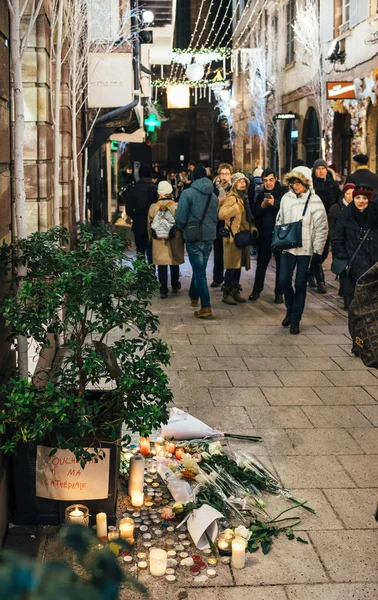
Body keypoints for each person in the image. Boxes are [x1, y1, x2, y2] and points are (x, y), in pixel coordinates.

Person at [278, 166, 328, 335]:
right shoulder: (286, 198)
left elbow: (322, 227)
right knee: (284, 280)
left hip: (306, 249)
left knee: (300, 284)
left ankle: (295, 320)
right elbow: (280, 220)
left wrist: (318, 251)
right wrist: (279, 239)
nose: (295, 185)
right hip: (288, 248)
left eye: (298, 182)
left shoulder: (315, 200)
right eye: (292, 182)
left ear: (306, 182)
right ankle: (290, 310)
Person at [176, 164, 218, 318]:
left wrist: (180, 227)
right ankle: (194, 296)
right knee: (199, 268)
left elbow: (180, 217)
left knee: (199, 272)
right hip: (209, 237)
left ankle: (205, 306)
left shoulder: (187, 194)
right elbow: (215, 216)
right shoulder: (213, 195)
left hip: (194, 236)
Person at [332, 186, 378, 323]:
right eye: (358, 197)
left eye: (364, 198)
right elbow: (337, 239)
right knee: (354, 304)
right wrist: (342, 256)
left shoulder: (375, 216)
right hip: (352, 264)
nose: (361, 201)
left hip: (372, 262)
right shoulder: (345, 215)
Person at [218, 172, 257, 305]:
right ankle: (226, 292)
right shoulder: (232, 198)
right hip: (232, 236)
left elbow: (246, 217)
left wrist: (251, 227)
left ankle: (235, 291)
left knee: (238, 265)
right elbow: (222, 214)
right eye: (239, 181)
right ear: (234, 184)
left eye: (244, 181)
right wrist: (237, 207)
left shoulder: (244, 197)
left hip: (243, 236)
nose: (242, 183)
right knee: (231, 266)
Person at [250, 168, 286, 303]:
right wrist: (263, 206)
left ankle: (279, 293)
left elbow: (286, 211)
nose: (268, 183)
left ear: (276, 178)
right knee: (261, 264)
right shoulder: (261, 194)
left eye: (271, 180)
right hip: (264, 235)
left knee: (280, 265)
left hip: (279, 234)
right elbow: (255, 213)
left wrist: (274, 204)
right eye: (265, 181)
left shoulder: (283, 193)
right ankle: (256, 290)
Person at [147, 181, 184, 299]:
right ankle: (174, 285)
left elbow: (149, 225)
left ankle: (163, 289)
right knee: (174, 262)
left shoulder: (153, 207)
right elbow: (181, 223)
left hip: (158, 240)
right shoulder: (176, 206)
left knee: (161, 265)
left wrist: (150, 238)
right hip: (174, 238)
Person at [308, 159, 339, 293]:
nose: (321, 171)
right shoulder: (311, 185)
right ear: (314, 170)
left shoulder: (332, 184)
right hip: (314, 222)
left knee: (325, 252)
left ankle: (310, 273)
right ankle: (320, 281)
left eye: (323, 168)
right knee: (317, 250)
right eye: (318, 168)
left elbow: (338, 200)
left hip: (329, 221)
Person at [328, 183, 355, 309]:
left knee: (352, 271)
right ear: (344, 194)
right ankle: (346, 297)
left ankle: (347, 294)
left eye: (353, 194)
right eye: (348, 194)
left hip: (353, 246)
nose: (351, 196)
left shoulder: (358, 208)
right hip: (340, 245)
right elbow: (332, 229)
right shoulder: (336, 209)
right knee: (343, 270)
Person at [125, 164, 157, 264]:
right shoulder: (155, 189)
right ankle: (151, 274)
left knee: (140, 252)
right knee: (151, 251)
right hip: (152, 224)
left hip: (138, 224)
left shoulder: (133, 189)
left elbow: (129, 210)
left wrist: (136, 217)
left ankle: (141, 275)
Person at [211, 162, 233, 288]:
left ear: (231, 175)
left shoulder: (233, 188)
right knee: (218, 251)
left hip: (229, 222)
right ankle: (217, 278)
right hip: (217, 222)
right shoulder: (214, 187)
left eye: (227, 174)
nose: (224, 176)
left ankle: (229, 280)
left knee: (229, 252)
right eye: (222, 173)